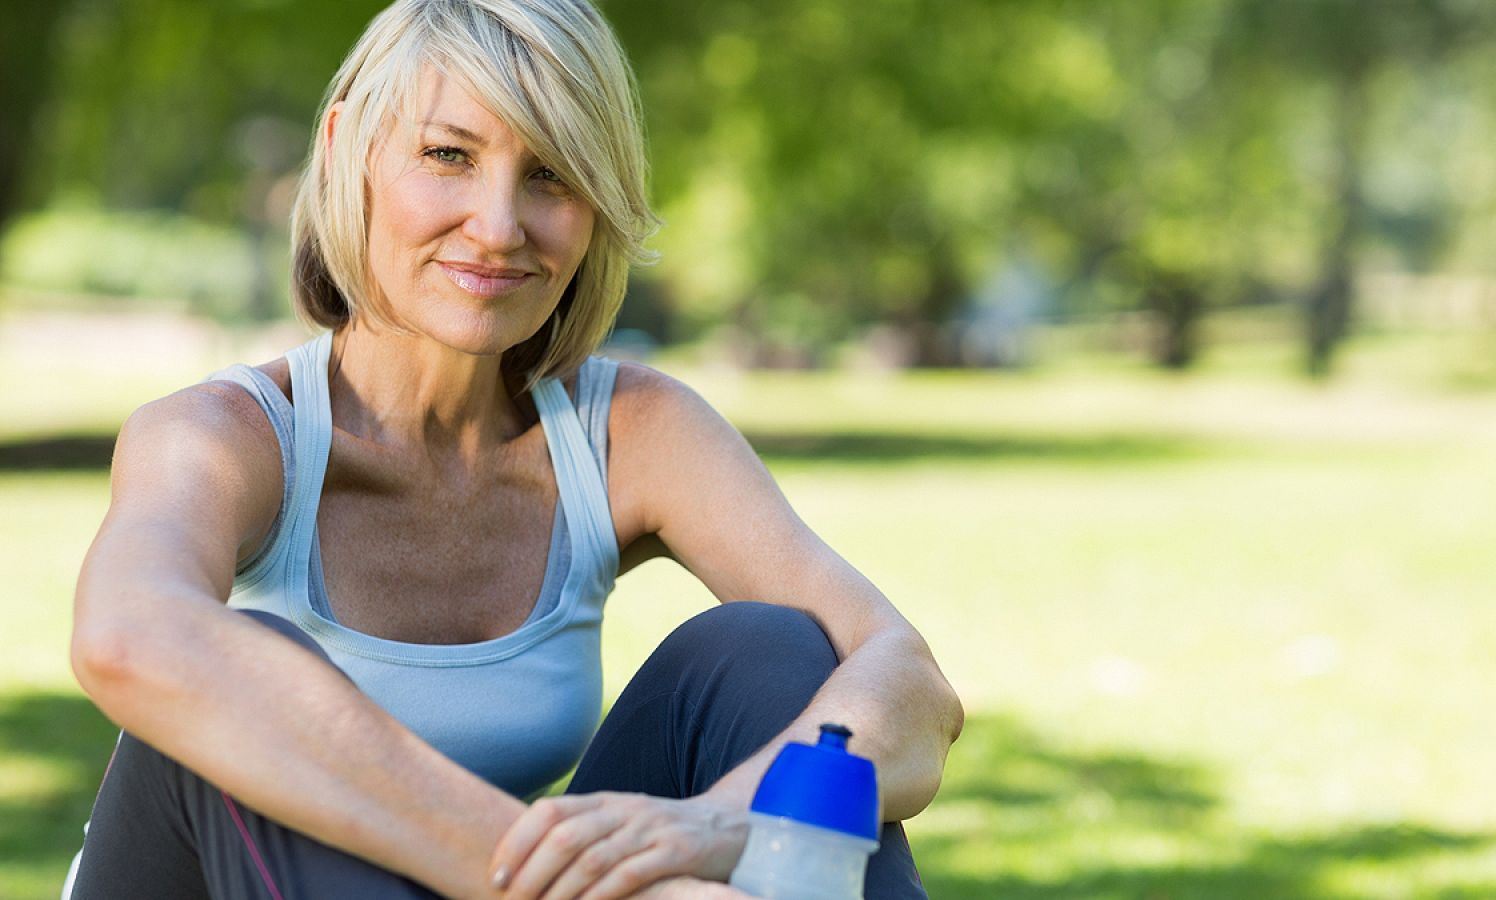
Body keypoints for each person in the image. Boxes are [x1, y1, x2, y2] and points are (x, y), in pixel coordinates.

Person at [63, 0, 964, 897]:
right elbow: (130, 638)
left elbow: (904, 678)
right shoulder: (222, 436)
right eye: (448, 155)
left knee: (764, 651)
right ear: (346, 150)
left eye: (552, 175)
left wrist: (719, 829)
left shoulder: (628, 433)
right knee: (240, 674)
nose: (498, 226)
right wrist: (556, 874)